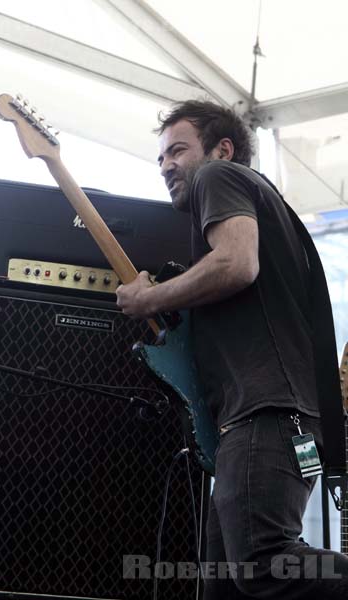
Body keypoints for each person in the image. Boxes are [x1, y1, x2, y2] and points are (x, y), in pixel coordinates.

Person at [116, 100, 348, 598]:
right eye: (159, 158)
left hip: (266, 412)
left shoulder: (218, 176)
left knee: (263, 563)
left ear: (223, 148)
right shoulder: (264, 203)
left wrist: (148, 297)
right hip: (272, 415)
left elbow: (237, 263)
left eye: (177, 150)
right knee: (224, 586)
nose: (167, 166)